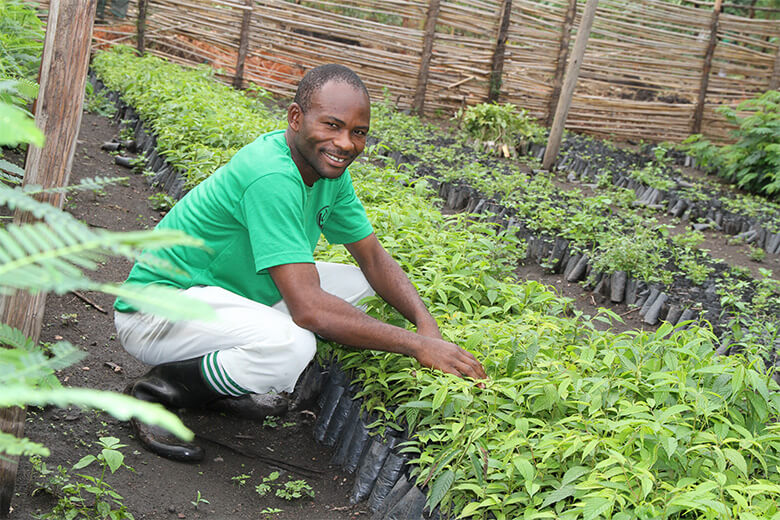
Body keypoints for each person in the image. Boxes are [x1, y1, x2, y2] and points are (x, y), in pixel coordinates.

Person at [114, 64, 486, 462]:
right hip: (157, 311)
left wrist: (428, 328)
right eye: (332, 125)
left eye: (357, 132)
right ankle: (155, 392)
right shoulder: (270, 175)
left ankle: (214, 384)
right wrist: (416, 346)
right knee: (293, 345)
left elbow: (374, 259)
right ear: (296, 117)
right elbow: (309, 309)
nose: (345, 143)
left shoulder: (327, 172)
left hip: (226, 295)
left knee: (359, 286)